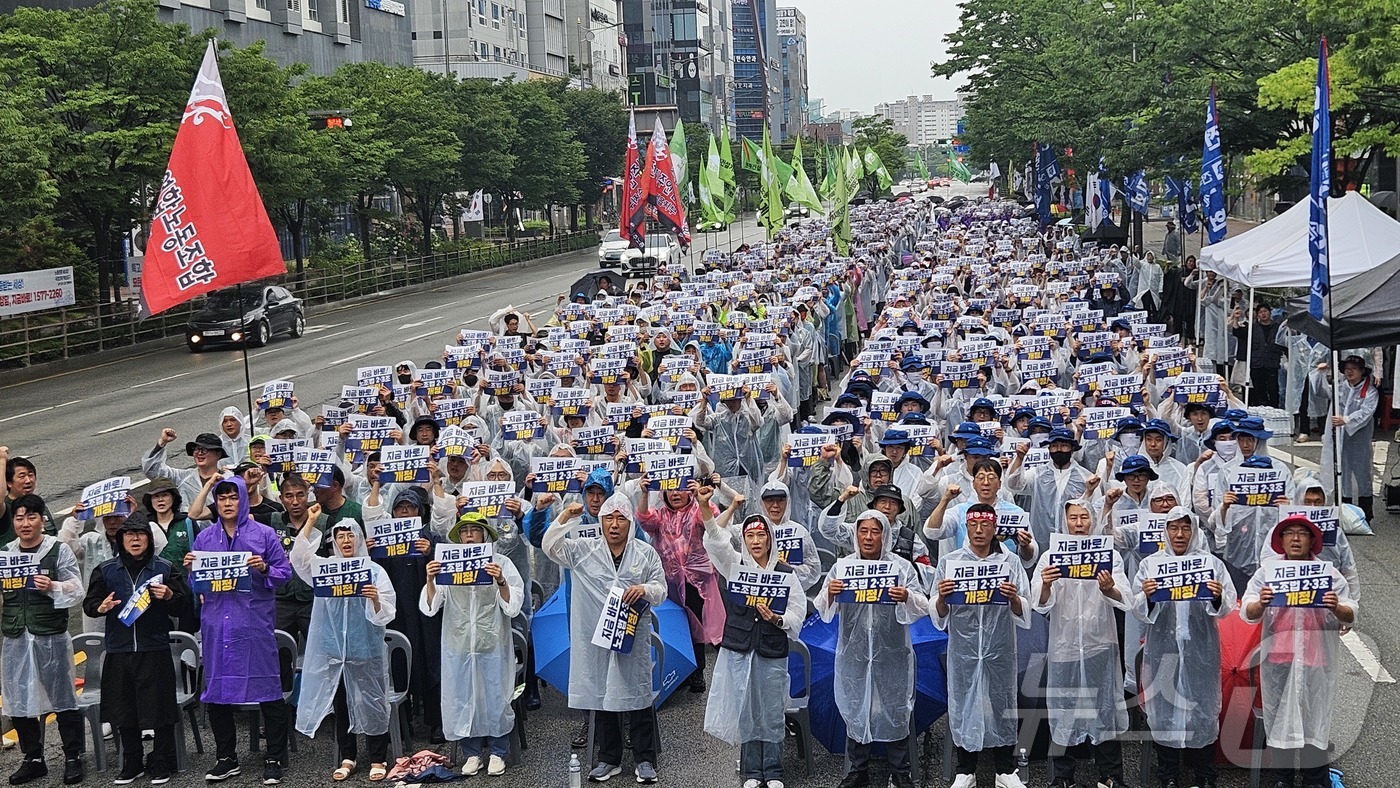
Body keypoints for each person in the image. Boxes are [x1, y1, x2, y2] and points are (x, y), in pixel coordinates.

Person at [543, 492, 667, 784]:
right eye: (608, 518)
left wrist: (645, 589)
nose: (614, 525)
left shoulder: (644, 552)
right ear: (600, 522)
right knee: (603, 693)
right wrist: (565, 517)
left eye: (620, 518)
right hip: (595, 636)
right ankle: (608, 759)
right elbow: (549, 546)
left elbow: (662, 588)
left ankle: (645, 759)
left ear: (629, 523)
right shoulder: (584, 549)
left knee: (638, 693)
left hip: (630, 636)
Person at [186, 476, 293, 784]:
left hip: (254, 624)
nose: (228, 503)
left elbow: (284, 573)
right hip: (218, 625)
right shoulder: (205, 540)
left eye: (233, 497)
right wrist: (192, 567)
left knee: (268, 688)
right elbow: (197, 585)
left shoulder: (264, 534)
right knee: (217, 691)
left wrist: (265, 569)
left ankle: (274, 756)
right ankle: (226, 757)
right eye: (222, 499)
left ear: (243, 498)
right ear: (216, 504)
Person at [815, 509, 929, 788]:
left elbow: (924, 606)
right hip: (853, 653)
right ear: (855, 534)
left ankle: (900, 770)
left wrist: (907, 597)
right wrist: (830, 593)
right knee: (856, 706)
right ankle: (857, 770)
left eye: (874, 531)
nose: (868, 537)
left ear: (885, 535)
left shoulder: (901, 567)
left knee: (896, 706)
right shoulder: (842, 567)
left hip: (892, 651)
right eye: (863, 531)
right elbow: (821, 608)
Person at [1240, 515, 1356, 788]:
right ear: (1280, 541)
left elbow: (1351, 613)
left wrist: (1336, 607)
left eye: (1301, 534)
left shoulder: (1328, 575)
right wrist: (1261, 603)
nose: (1295, 539)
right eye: (1289, 533)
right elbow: (1247, 610)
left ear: (1312, 541)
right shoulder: (1268, 572)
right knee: (1280, 719)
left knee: (1313, 719)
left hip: (1316, 658)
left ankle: (1315, 779)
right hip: (1279, 658)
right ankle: (1283, 779)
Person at [701, 492, 805, 788]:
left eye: (761, 535)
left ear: (770, 539)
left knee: (772, 710)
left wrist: (779, 619)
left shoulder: (785, 572)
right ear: (744, 540)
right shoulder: (735, 567)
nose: (756, 541)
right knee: (746, 708)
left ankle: (773, 770)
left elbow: (798, 610)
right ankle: (750, 771)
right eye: (750, 535)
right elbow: (715, 541)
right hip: (740, 647)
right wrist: (704, 508)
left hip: (772, 647)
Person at [81, 516, 191, 785]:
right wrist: (100, 607)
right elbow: (89, 604)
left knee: (160, 708)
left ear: (148, 539)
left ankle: (162, 760)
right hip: (119, 650)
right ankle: (132, 762)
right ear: (121, 539)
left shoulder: (164, 568)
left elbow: (184, 605)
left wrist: (169, 597)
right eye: (128, 535)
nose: (134, 539)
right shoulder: (106, 570)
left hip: (154, 647)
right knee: (123, 709)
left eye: (140, 534)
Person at [1131, 506, 1235, 788]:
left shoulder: (1210, 564)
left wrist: (1216, 596)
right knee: (1165, 709)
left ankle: (1204, 775)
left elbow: (1228, 605)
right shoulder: (1151, 565)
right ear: (1165, 531)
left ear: (1194, 531)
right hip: (1163, 649)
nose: (1180, 534)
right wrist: (1148, 597)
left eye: (1185, 528)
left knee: (1202, 708)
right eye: (1174, 528)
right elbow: (1137, 608)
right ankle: (1168, 775)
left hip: (1200, 650)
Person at [1031, 500, 1132, 788]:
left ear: (1092, 521)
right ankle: (1062, 775)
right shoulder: (1051, 556)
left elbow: (1125, 597)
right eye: (1073, 518)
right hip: (1064, 645)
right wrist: (1047, 584)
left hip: (1099, 643)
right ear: (1064, 522)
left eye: (1084, 518)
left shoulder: (1108, 555)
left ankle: (1111, 775)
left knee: (1104, 708)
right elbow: (1038, 602)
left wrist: (1109, 587)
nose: (1078, 524)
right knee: (1064, 709)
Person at [931, 503, 1031, 788]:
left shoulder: (1009, 562)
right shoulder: (951, 562)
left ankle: (1004, 770)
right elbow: (937, 612)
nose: (978, 530)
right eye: (973, 524)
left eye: (985, 525)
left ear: (994, 528)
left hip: (999, 645)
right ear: (966, 526)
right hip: (964, 647)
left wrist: (1013, 599)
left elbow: (1026, 607)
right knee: (964, 703)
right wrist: (941, 598)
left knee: (1000, 701)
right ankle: (966, 769)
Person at [291, 517, 396, 782]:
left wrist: (374, 599)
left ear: (359, 539)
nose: (346, 541)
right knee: (342, 705)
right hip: (335, 652)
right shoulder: (325, 570)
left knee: (373, 701)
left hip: (366, 648)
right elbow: (300, 557)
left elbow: (388, 612)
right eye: (340, 537)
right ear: (334, 542)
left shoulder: (374, 571)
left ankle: (377, 757)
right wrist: (311, 520)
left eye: (351, 536)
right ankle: (347, 756)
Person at [423, 512, 523, 777]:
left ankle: (499, 751)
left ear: (485, 535)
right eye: (464, 531)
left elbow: (513, 606)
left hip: (492, 643)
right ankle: (471, 752)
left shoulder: (501, 563)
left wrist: (500, 580)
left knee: (494, 696)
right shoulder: (448, 564)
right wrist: (430, 580)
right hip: (458, 645)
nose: (468, 535)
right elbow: (432, 607)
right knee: (463, 696)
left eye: (474, 531)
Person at [1, 494, 87, 785]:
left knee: (63, 697)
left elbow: (77, 589)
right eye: (19, 517)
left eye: (31, 517)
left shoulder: (56, 550)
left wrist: (53, 586)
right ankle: (33, 758)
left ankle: (73, 756)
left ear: (41, 520)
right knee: (17, 697)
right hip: (15, 636)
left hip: (49, 635)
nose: (25, 523)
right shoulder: (6, 553)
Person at [636, 478, 724, 693]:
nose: (676, 493)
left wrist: (703, 501)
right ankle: (680, 670)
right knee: (675, 626)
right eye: (670, 489)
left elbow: (715, 522)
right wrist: (645, 494)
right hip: (669, 582)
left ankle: (698, 673)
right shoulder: (660, 516)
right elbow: (644, 520)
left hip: (696, 582)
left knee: (697, 629)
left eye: (681, 488)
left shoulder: (696, 511)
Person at [1320, 355, 1379, 520]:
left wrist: (1346, 420)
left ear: (1362, 371)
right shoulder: (1340, 388)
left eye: (1353, 368)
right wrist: (1319, 374)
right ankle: (1345, 513)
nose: (1349, 372)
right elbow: (1320, 391)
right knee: (1343, 474)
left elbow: (1366, 413)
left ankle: (1365, 515)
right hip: (1340, 439)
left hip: (1359, 439)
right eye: (1347, 369)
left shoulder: (1370, 391)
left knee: (1362, 475)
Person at [0, 450, 59, 547]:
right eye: (22, 476)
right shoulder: (5, 508)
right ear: (9, 483)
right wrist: (2, 460)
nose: (28, 480)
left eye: (30, 475)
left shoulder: (37, 504)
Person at [1247, 304, 1283, 408]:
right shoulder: (1252, 328)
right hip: (1257, 363)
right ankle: (1260, 410)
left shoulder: (1278, 327)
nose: (1263, 314)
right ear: (1257, 315)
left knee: (1273, 389)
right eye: (1260, 312)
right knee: (1258, 389)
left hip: (1272, 362)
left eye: (1265, 311)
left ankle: (1274, 409)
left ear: (1270, 312)